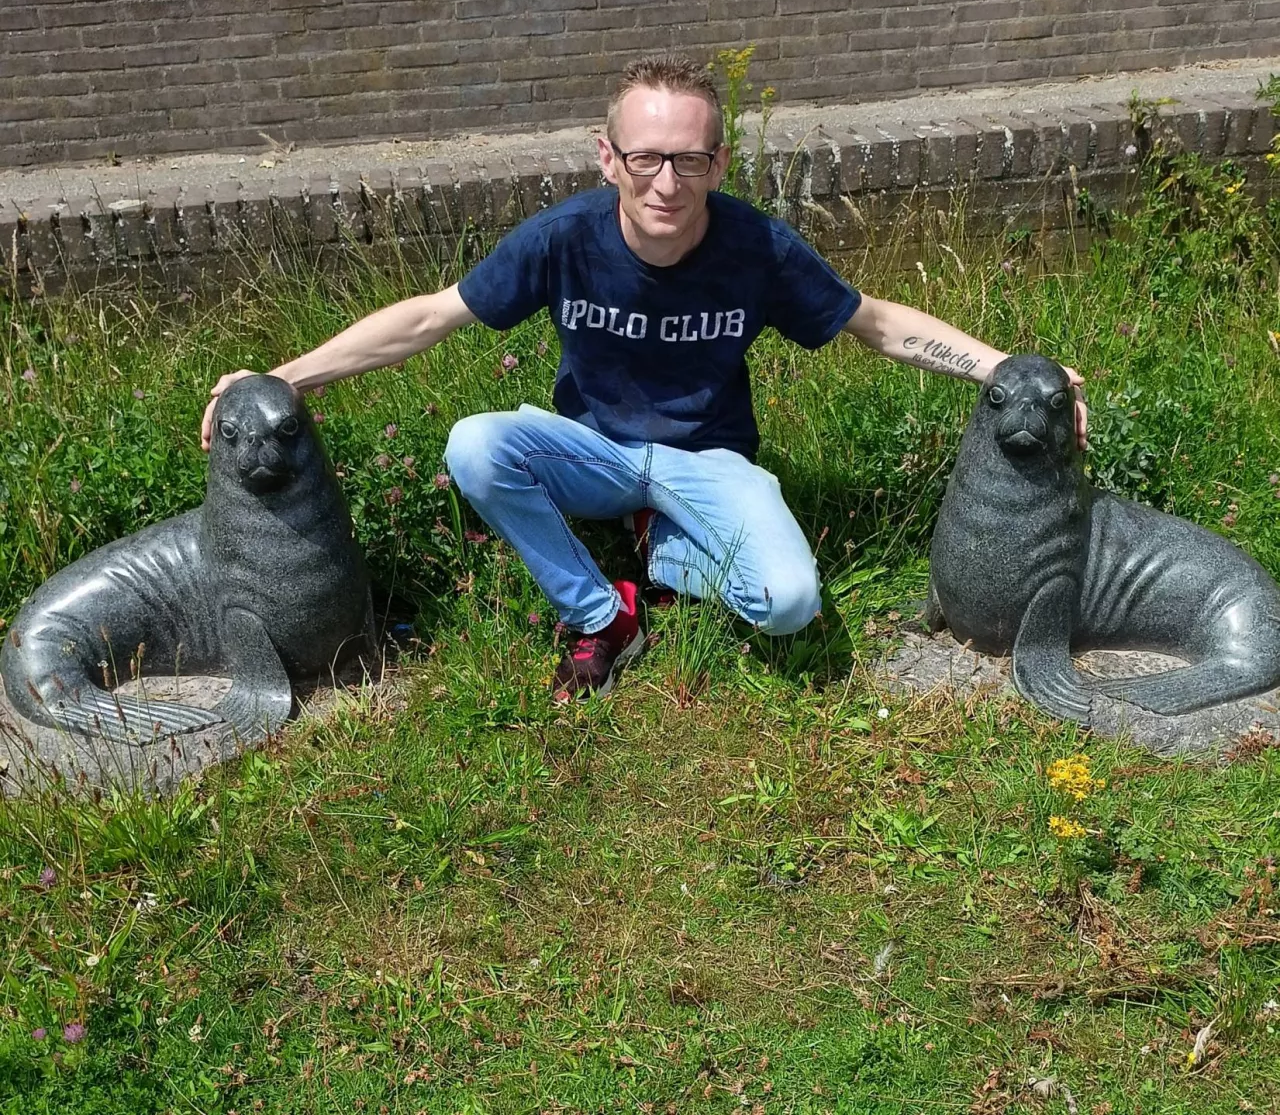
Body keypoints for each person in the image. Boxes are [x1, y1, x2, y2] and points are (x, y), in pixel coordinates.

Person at [202, 53, 1087, 702]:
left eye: (690, 159)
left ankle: (662, 548)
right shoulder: (564, 238)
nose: (667, 182)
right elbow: (430, 317)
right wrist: (281, 378)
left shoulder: (757, 248)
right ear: (608, 156)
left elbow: (877, 323)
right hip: (590, 452)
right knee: (474, 444)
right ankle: (601, 611)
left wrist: (1009, 368)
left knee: (789, 601)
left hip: (709, 461)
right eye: (646, 158)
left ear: (720, 163)